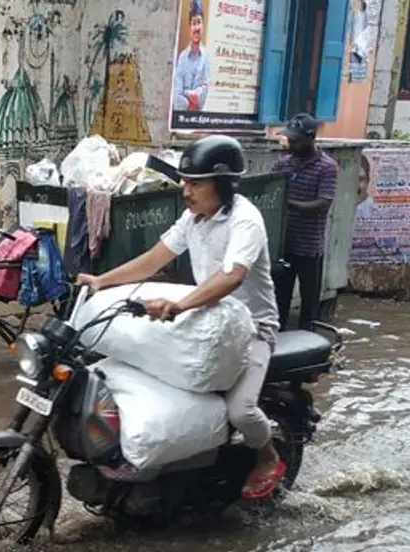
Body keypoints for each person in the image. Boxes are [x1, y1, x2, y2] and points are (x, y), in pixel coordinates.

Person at [76, 135, 287, 500]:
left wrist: (179, 305)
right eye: (185, 182)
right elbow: (156, 257)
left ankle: (267, 456)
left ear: (222, 183)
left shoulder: (245, 220)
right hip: (210, 321)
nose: (186, 191)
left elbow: (232, 275)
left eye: (196, 183)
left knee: (241, 410)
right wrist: (102, 280)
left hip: (253, 330)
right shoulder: (194, 218)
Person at [272, 113, 339, 330]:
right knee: (279, 301)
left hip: (310, 248)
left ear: (311, 138)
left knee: (309, 307)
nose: (291, 143)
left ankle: (310, 342)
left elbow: (322, 205)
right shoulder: (284, 164)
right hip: (285, 246)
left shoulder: (326, 167)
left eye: (296, 139)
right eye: (290, 138)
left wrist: (288, 204)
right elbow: (270, 192)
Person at [171, 0, 210, 112]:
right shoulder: (182, 57)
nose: (196, 27)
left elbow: (204, 94)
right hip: (182, 118)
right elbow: (177, 95)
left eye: (199, 22)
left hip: (199, 120)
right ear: (190, 27)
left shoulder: (207, 57)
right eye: (193, 23)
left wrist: (187, 92)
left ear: (203, 25)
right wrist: (190, 104)